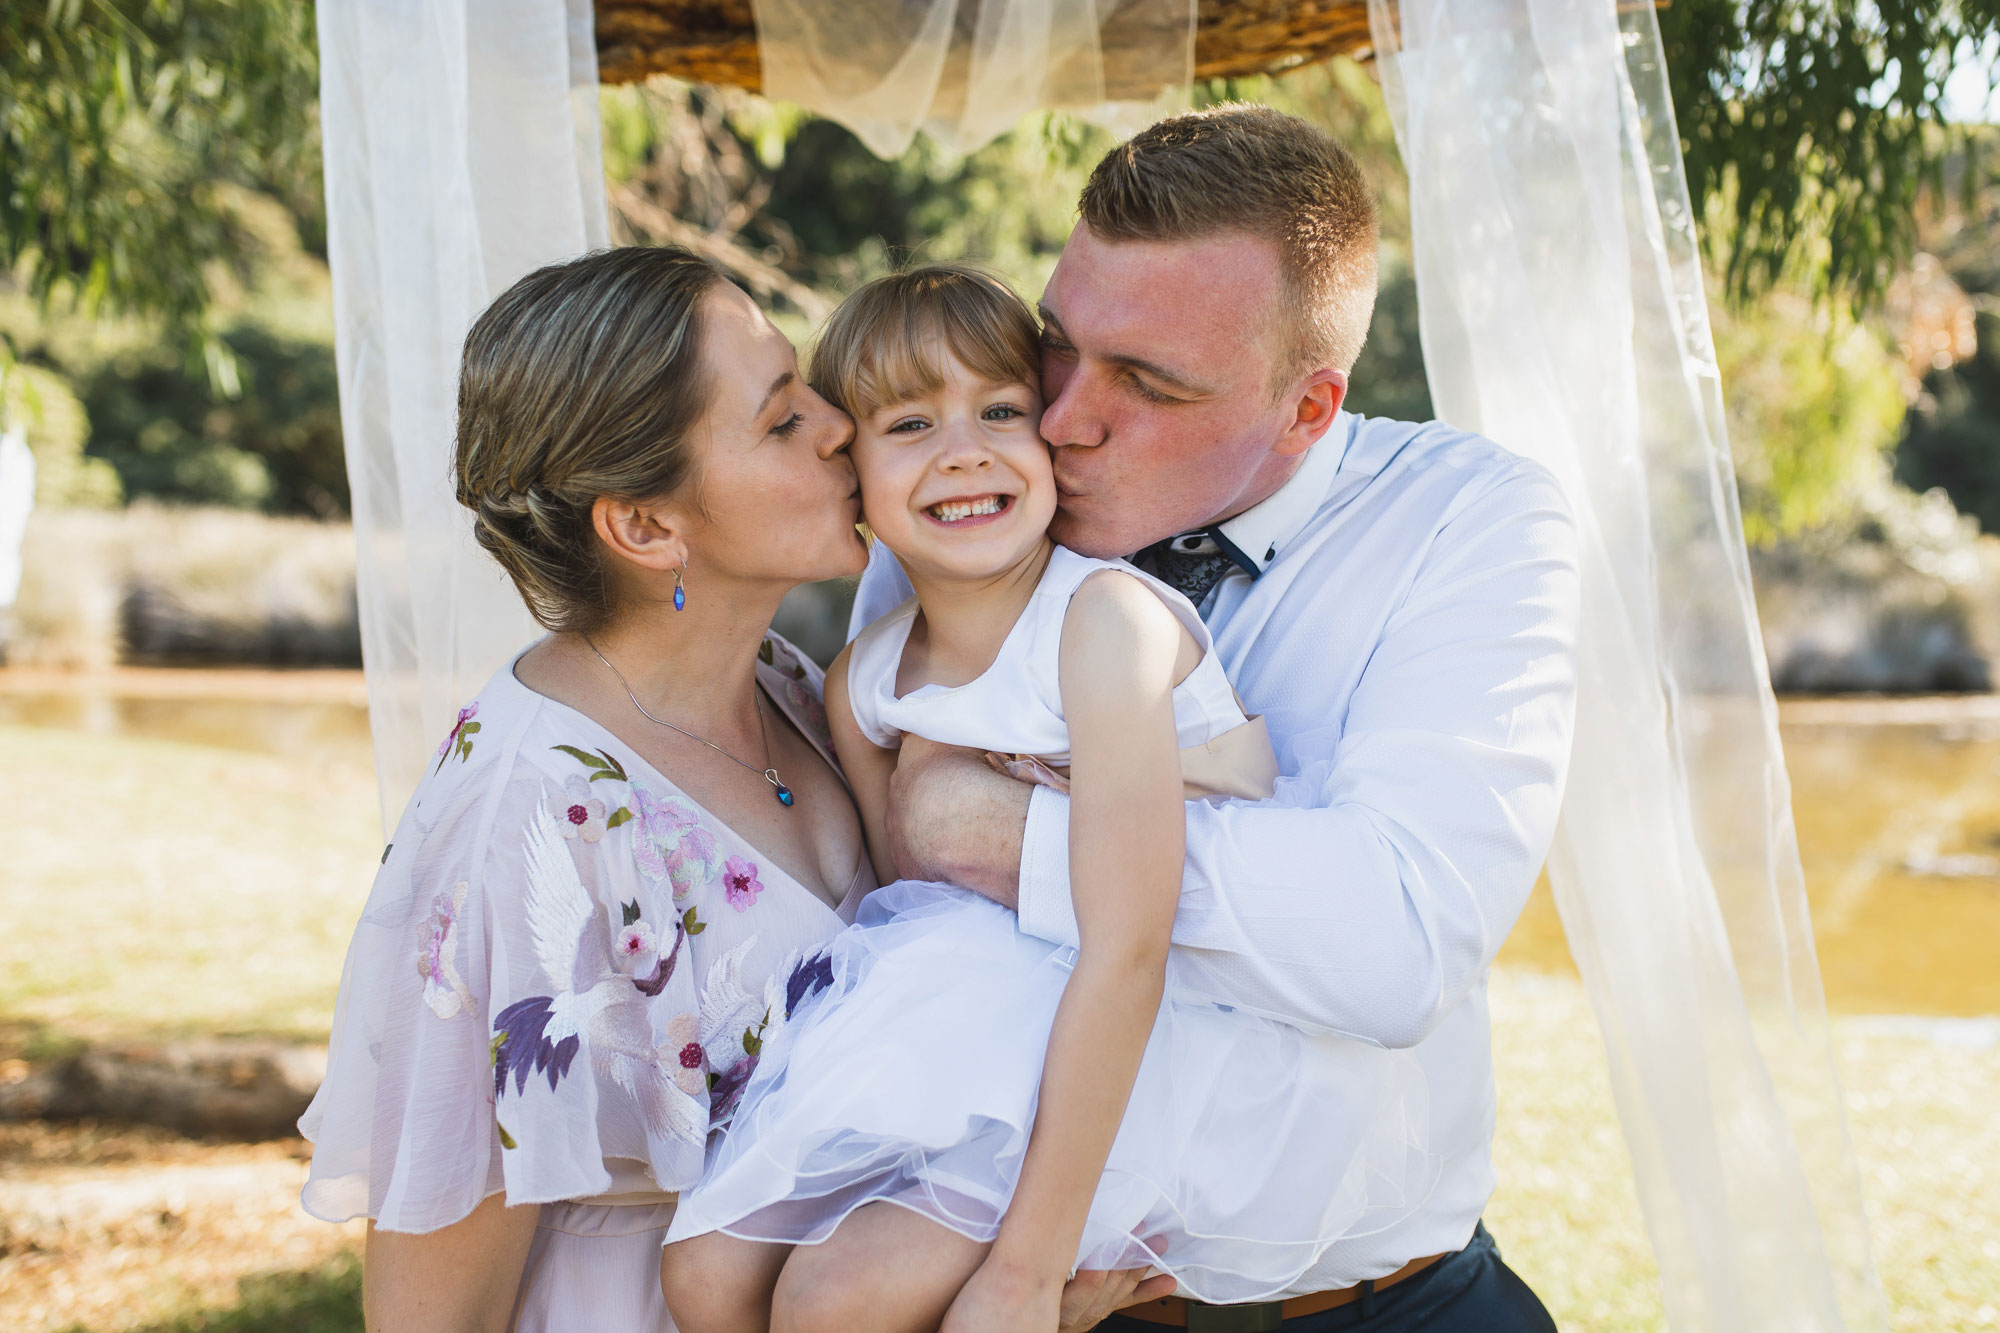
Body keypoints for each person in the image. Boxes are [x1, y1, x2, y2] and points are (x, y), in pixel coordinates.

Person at [852, 107, 1582, 1331]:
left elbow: (1393, 940)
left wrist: (994, 832)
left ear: (1306, 409)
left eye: (1145, 382)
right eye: (1056, 347)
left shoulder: (1471, 521)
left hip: (1378, 1307)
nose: (1060, 418)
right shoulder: (972, 508)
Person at [660, 265, 1433, 1333]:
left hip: (1140, 1031)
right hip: (959, 1025)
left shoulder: (1104, 624)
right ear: (853, 476)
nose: (964, 450)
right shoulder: (867, 678)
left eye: (1000, 411)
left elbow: (1129, 944)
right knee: (702, 1275)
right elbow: (908, 907)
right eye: (908, 424)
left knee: (840, 1301)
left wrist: (1024, 1271)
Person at [297, 245, 880, 1331]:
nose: (839, 420)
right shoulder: (531, 821)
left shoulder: (791, 686)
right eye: (779, 418)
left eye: (802, 384)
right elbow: (432, 1305)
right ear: (647, 526)